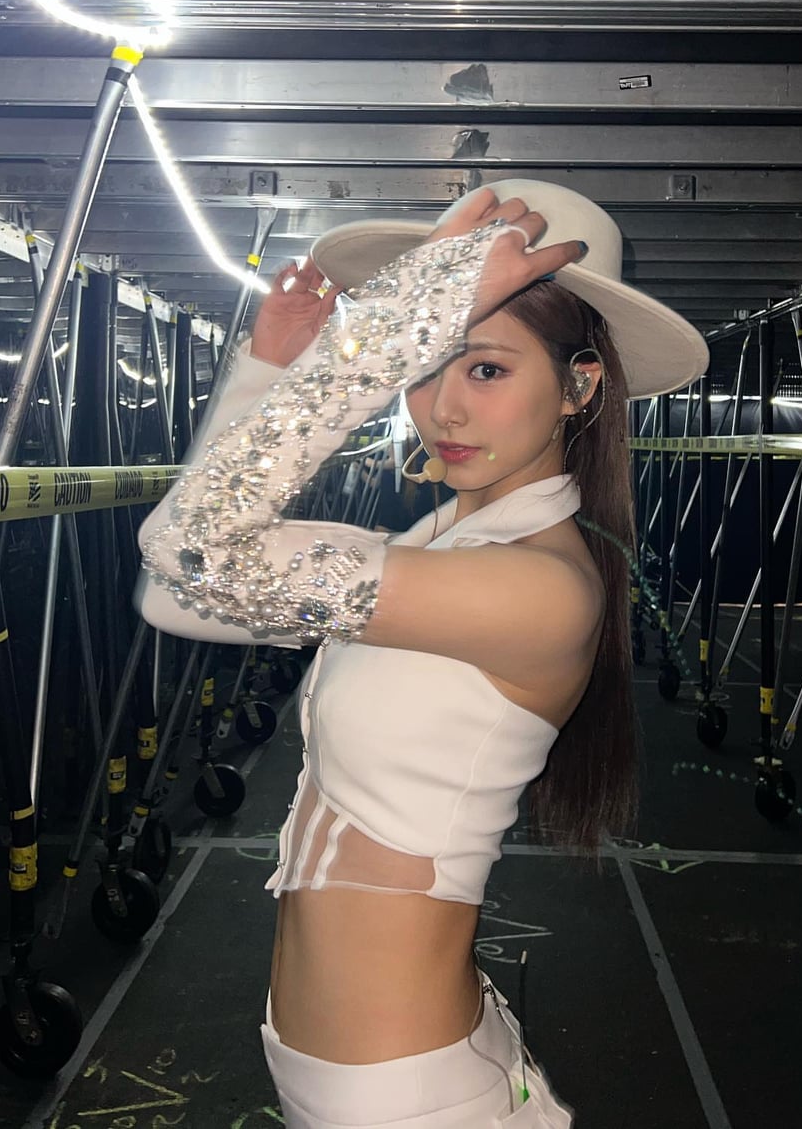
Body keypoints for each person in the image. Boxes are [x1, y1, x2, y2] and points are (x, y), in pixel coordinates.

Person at [136, 179, 708, 1128]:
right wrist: (268, 371)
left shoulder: (539, 588)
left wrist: (377, 335)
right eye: (425, 361)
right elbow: (176, 595)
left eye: (484, 367)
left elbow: (191, 551)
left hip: (401, 1094)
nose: (441, 408)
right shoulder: (440, 544)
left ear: (579, 386)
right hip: (373, 1066)